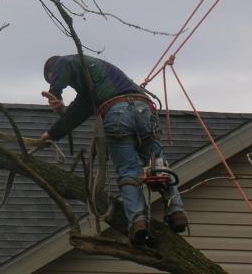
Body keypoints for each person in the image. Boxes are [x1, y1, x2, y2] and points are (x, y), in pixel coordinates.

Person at [40, 54, 188, 244]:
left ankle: (138, 221)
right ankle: (177, 212)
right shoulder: (93, 85)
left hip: (117, 114)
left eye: (52, 78)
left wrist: (55, 92)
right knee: (158, 165)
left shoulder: (70, 61)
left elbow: (62, 65)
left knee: (128, 171)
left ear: (52, 73)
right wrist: (51, 134)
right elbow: (76, 113)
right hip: (143, 109)